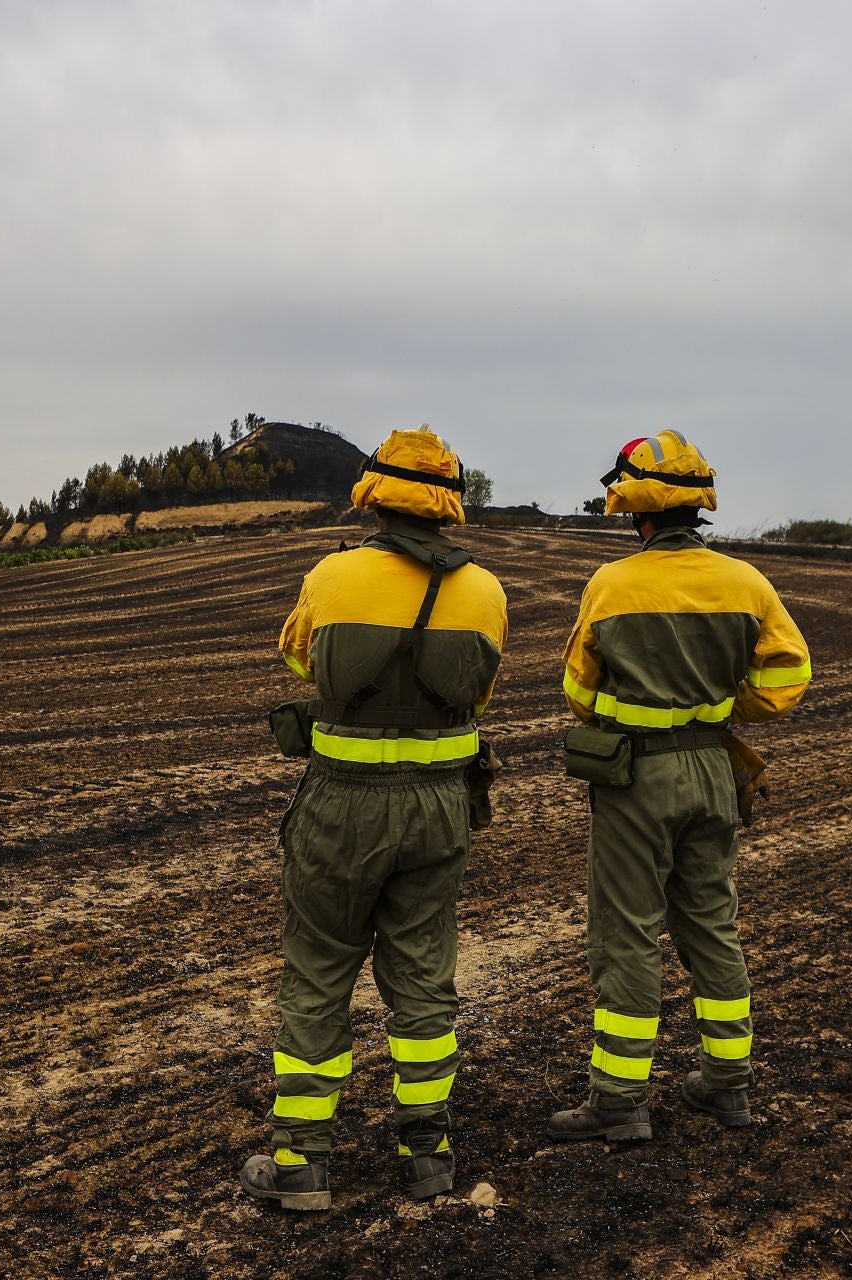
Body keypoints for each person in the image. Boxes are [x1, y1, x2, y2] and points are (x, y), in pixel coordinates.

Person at [240, 427, 508, 1210]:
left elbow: (302, 662)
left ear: (372, 494)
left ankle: (302, 1164)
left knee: (319, 971)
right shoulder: (486, 592)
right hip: (440, 808)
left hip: (342, 804)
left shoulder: (332, 575)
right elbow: (478, 697)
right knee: (425, 976)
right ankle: (428, 1155)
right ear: (450, 501)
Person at [547, 430, 810, 1143]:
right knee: (710, 924)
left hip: (638, 776)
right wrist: (724, 707)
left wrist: (631, 711)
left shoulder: (612, 585)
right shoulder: (747, 582)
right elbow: (787, 678)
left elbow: (577, 690)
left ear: (635, 508)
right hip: (715, 770)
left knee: (628, 934)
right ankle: (728, 1088)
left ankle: (619, 1100)